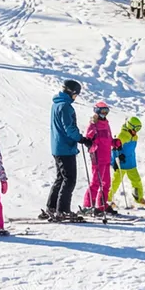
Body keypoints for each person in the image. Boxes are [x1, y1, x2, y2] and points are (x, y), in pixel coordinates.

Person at [42, 79, 87, 221]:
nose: (76, 97)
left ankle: (52, 206)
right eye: (76, 94)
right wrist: (81, 139)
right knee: (69, 179)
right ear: (72, 92)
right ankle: (63, 210)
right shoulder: (66, 107)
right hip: (65, 147)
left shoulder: (56, 104)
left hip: (57, 146)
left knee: (61, 177)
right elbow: (69, 128)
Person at [80, 101, 114, 215]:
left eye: (106, 111)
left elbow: (107, 139)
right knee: (96, 182)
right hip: (98, 157)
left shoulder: (106, 123)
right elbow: (88, 140)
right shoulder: (93, 124)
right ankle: (87, 205)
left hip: (107, 157)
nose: (104, 113)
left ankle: (102, 205)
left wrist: (115, 142)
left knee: (106, 183)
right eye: (102, 111)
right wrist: (91, 140)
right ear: (97, 111)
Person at [109, 115, 145, 207]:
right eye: (136, 129)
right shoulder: (123, 135)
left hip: (131, 163)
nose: (137, 131)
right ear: (130, 126)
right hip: (121, 163)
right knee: (116, 182)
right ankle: (107, 199)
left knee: (137, 180)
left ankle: (139, 198)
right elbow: (115, 147)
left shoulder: (134, 136)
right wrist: (114, 160)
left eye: (139, 129)